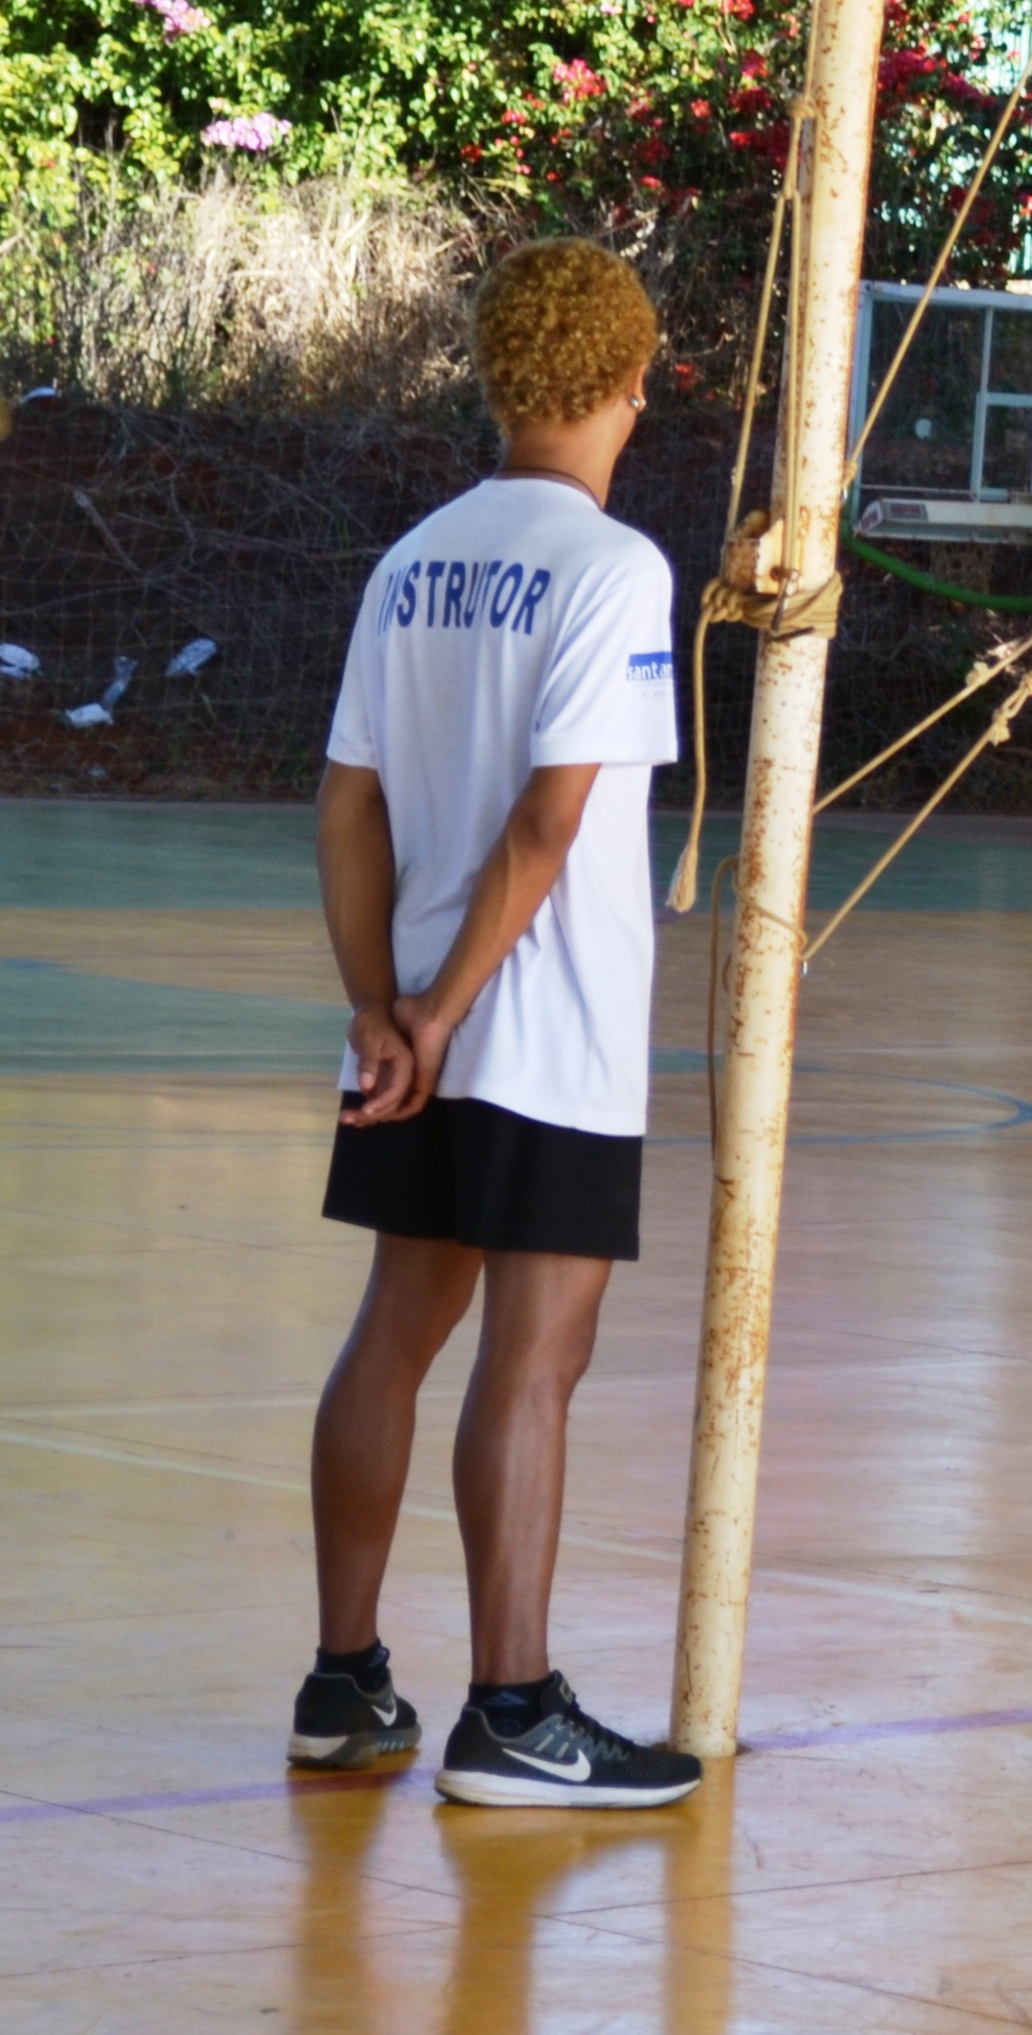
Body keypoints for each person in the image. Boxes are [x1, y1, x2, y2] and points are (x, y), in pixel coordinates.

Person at [295, 238, 702, 1806]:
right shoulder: (615, 571)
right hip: (541, 1030)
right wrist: (453, 1015)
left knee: (395, 1335)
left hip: (414, 1030)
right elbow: (547, 830)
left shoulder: (413, 560)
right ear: (628, 382)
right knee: (533, 1363)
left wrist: (382, 1017)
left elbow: (346, 812)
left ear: (498, 377)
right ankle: (513, 1712)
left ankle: (343, 1686)